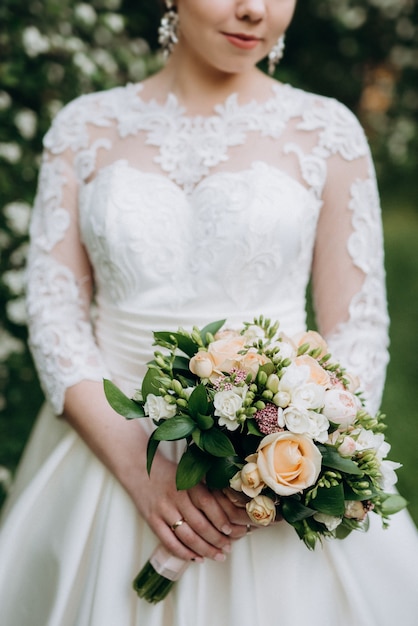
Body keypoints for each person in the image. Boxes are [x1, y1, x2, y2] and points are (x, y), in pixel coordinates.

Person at [0, 0, 417, 624]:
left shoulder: (327, 132)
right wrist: (143, 474)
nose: (255, 10)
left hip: (269, 479)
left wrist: (286, 459)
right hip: (105, 453)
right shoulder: (84, 129)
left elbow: (358, 326)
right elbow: (55, 311)